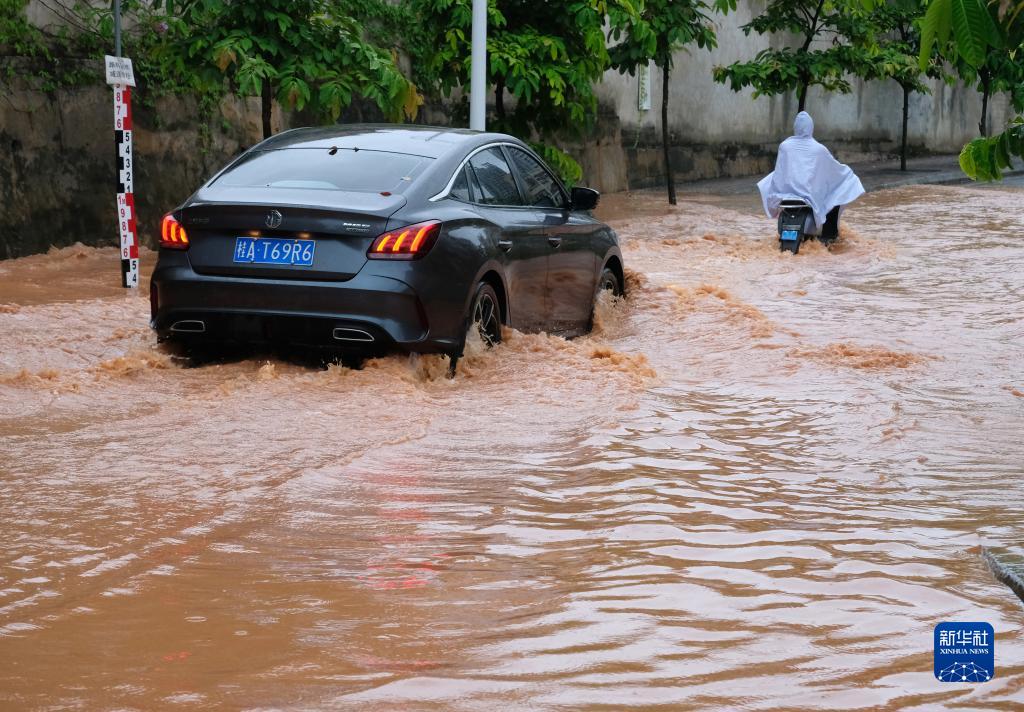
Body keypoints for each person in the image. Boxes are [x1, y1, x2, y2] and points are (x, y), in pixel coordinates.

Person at [757, 112, 865, 241]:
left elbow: (780, 172)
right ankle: (829, 236)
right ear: (811, 128)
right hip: (808, 198)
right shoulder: (819, 149)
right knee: (835, 192)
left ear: (795, 127)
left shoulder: (784, 147)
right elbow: (833, 171)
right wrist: (847, 173)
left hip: (784, 196)